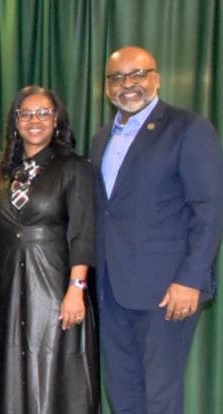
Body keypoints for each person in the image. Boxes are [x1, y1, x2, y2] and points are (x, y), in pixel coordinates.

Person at [91, 46, 223, 413]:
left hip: (168, 291)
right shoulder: (101, 138)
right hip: (112, 291)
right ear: (106, 88)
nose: (127, 84)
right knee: (122, 393)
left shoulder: (188, 128)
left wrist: (191, 279)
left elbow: (208, 208)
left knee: (160, 397)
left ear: (157, 79)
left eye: (138, 74)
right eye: (117, 77)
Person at [0, 86, 98, 413]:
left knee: (56, 378)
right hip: (9, 290)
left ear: (57, 120)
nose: (35, 121)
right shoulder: (0, 170)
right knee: (11, 377)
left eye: (44, 113)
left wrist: (76, 288)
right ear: (15, 121)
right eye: (26, 114)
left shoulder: (74, 167)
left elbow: (83, 232)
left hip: (54, 289)